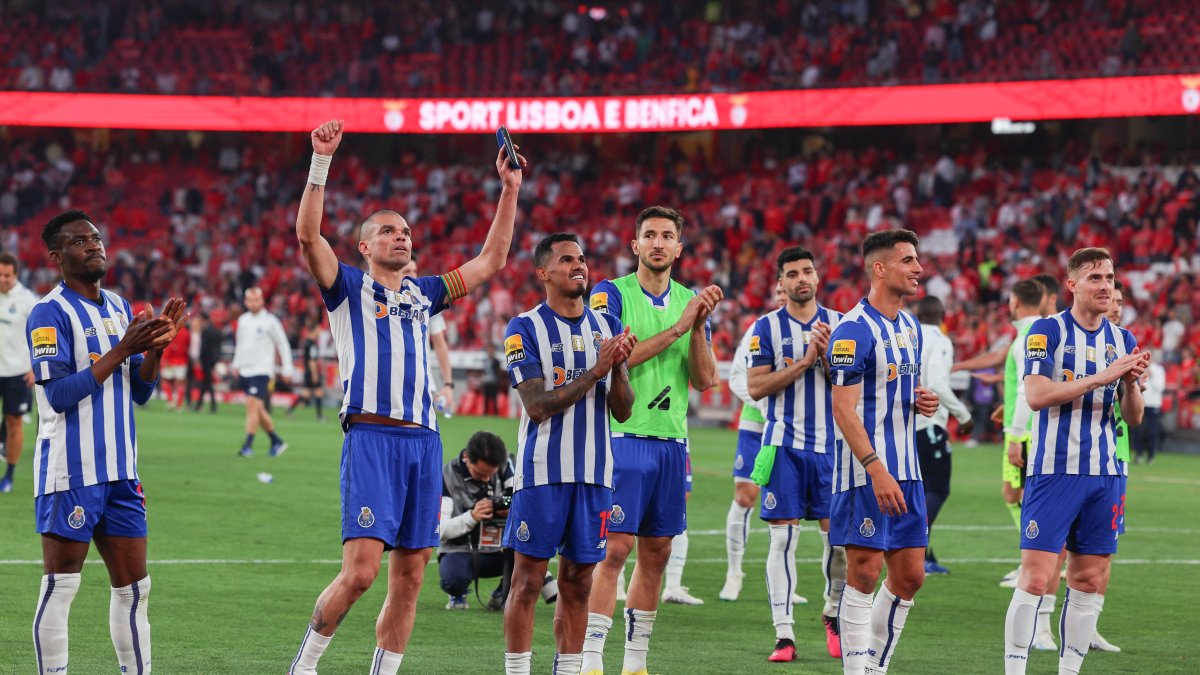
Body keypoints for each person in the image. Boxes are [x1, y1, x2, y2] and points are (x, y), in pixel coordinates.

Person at [288, 119, 524, 675]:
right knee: (361, 573)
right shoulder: (347, 287)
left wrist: (510, 190)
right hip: (372, 437)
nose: (402, 237)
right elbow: (308, 237)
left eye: (407, 232)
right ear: (365, 246)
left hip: (423, 443)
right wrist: (321, 162)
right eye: (389, 231)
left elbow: (491, 261)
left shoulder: (425, 293)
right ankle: (305, 665)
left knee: (412, 575)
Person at [28, 210, 187, 674]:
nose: (94, 245)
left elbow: (140, 390)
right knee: (62, 587)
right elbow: (58, 395)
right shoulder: (48, 313)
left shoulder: (118, 307)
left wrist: (154, 351)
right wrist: (122, 349)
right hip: (71, 471)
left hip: (122, 471)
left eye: (96, 238)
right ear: (58, 257)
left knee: (135, 590)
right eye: (80, 241)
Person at [583, 206, 722, 675]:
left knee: (657, 553)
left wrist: (697, 326)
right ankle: (591, 659)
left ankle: (635, 663)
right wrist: (680, 326)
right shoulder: (611, 293)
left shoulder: (690, 301)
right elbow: (612, 358)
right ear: (635, 245)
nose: (658, 243)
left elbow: (705, 379)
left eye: (667, 236)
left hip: (672, 443)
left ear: (679, 248)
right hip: (622, 436)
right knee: (615, 549)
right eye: (650, 235)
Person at [1002, 247, 1150, 675]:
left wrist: (1130, 384)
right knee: (1035, 579)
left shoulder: (1123, 340)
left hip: (1105, 474)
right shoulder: (1046, 331)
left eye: (1110, 278)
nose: (1105, 286)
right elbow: (1036, 396)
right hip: (1054, 471)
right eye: (1095, 278)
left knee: (1087, 580)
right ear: (1072, 285)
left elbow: (1133, 418)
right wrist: (1105, 376)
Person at [502, 232, 635, 675]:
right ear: (543, 272)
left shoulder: (607, 326)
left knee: (579, 583)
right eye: (566, 260)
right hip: (543, 473)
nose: (579, 265)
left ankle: (569, 669)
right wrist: (597, 369)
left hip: (595, 476)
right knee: (527, 582)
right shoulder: (524, 327)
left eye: (581, 258)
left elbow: (622, 410)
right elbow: (537, 406)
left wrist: (618, 368)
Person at [825, 229, 940, 675]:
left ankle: (875, 666)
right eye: (907, 260)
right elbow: (843, 408)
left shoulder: (911, 327)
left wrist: (920, 399)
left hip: (908, 470)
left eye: (917, 259)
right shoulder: (853, 330)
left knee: (910, 576)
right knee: (865, 572)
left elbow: (894, 387)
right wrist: (875, 469)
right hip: (865, 473)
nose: (918, 268)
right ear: (879, 268)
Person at [744, 247, 845, 662]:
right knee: (783, 539)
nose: (801, 278)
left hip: (832, 449)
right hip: (783, 445)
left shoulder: (841, 324)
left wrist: (826, 359)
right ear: (781, 283)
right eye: (792, 273)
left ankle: (833, 613)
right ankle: (784, 634)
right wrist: (804, 362)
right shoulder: (765, 327)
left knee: (839, 542)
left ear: (817, 277)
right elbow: (755, 387)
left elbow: (850, 385)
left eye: (807, 271)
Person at [440, 430, 556, 611]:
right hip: (462, 549)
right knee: (454, 580)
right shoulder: (446, 476)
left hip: (501, 549)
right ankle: (456, 593)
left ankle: (502, 593)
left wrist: (512, 511)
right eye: (480, 474)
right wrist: (471, 517)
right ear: (466, 457)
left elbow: (529, 505)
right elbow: (439, 530)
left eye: (491, 474)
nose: (486, 479)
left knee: (527, 547)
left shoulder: (508, 465)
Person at [721, 282, 787, 602]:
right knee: (745, 496)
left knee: (787, 505)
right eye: (779, 292)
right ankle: (734, 573)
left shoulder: (815, 329)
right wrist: (765, 405)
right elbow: (737, 377)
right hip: (756, 421)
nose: (784, 296)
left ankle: (784, 582)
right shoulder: (760, 329)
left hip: (792, 426)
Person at [913, 296, 973, 575]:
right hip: (929, 425)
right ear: (943, 317)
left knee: (919, 491)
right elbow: (937, 382)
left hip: (905, 426)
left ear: (917, 314)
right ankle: (914, 547)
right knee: (937, 489)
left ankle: (923, 554)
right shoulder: (939, 340)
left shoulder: (909, 336)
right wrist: (964, 415)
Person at [232, 286, 293, 456]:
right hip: (245, 370)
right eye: (250, 300)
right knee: (257, 409)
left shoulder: (270, 321)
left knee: (252, 405)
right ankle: (276, 441)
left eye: (256, 300)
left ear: (262, 301)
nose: (253, 303)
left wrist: (287, 369)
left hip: (262, 370)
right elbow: (240, 344)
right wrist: (236, 364)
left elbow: (282, 344)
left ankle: (247, 445)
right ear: (246, 302)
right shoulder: (243, 320)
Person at [0, 251, 37, 494]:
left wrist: (35, 367)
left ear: (15, 275)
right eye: (0, 274)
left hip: (17, 372)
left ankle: (9, 475)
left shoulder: (27, 300)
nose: (3, 279)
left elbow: (41, 334)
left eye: (7, 275)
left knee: (14, 423)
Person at [400, 256, 455, 415]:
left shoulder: (425, 301)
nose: (412, 275)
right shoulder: (382, 299)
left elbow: (440, 344)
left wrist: (448, 384)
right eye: (407, 271)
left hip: (423, 383)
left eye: (415, 271)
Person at [287, 316, 327, 421]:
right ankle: (319, 416)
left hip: (307, 372)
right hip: (311, 372)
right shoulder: (312, 344)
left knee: (306, 394)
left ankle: (289, 410)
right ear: (315, 330)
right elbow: (312, 361)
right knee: (318, 392)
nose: (320, 332)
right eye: (319, 329)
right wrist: (315, 375)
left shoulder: (307, 342)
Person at [158, 310, 190, 411]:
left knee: (165, 380)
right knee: (180, 383)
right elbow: (188, 347)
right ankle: (179, 405)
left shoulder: (171, 330)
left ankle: (170, 401)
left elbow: (168, 346)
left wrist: (164, 359)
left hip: (170, 361)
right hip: (182, 361)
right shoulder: (186, 333)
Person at [191, 313, 221, 413]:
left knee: (208, 382)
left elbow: (203, 347)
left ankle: (213, 406)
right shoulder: (216, 330)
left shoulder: (205, 331)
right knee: (205, 382)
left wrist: (200, 359)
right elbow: (218, 346)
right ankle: (199, 405)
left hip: (206, 360)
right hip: (213, 360)